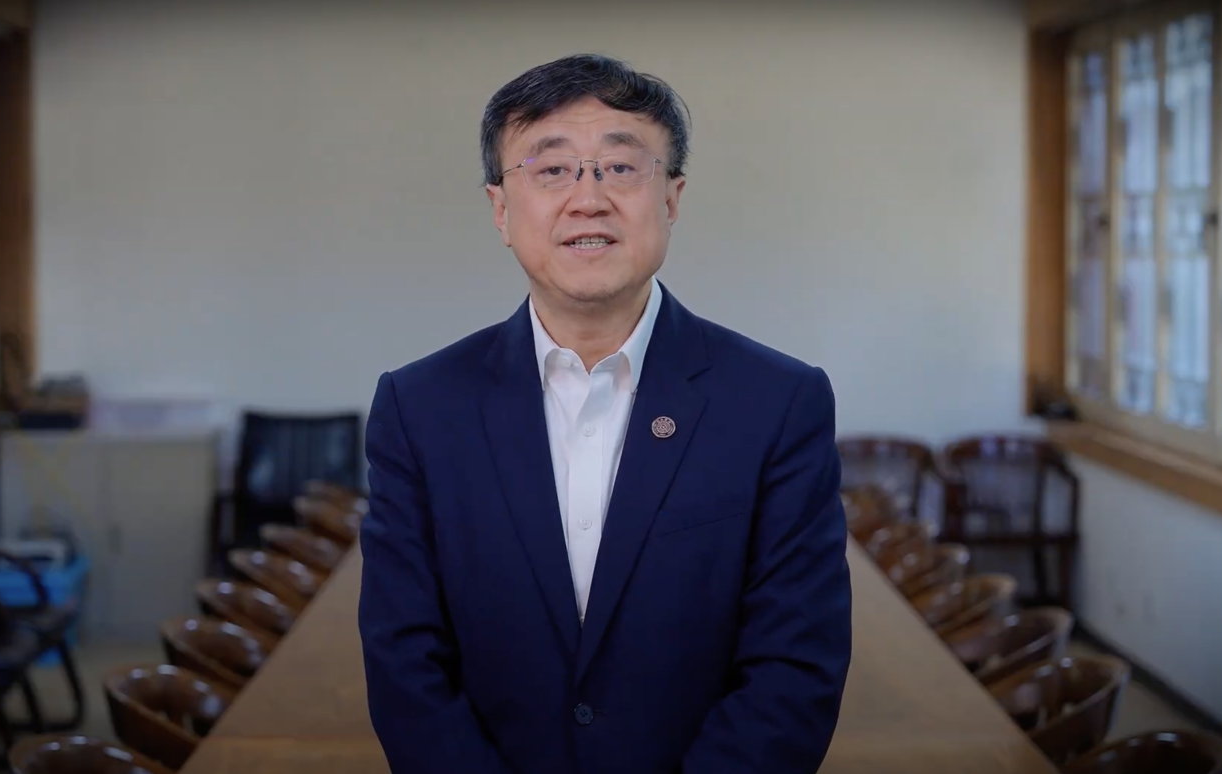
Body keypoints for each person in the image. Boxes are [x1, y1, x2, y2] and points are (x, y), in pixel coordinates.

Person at [358, 53, 852, 774]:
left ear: (672, 199)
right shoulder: (420, 406)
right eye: (551, 169)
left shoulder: (777, 401)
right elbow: (404, 662)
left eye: (621, 168)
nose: (587, 199)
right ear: (500, 209)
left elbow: (795, 667)